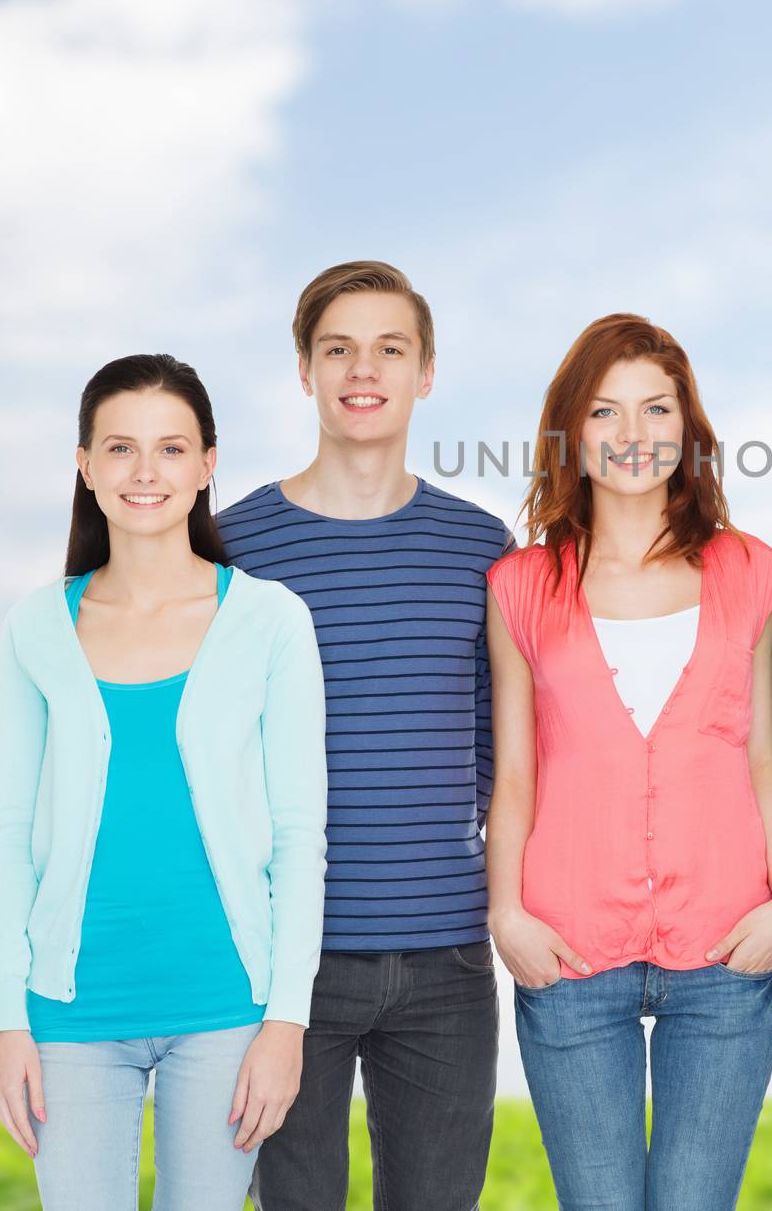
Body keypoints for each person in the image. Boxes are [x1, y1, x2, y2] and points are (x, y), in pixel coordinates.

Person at [0, 353, 328, 1211]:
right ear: (86, 464)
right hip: (69, 1013)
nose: (147, 472)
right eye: (121, 448)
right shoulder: (36, 627)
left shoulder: (271, 620)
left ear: (209, 464)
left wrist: (286, 1021)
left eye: (173, 449)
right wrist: (4, 1017)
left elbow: (299, 835)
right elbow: (9, 831)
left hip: (223, 1007)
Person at [486, 312, 772, 1210]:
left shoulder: (747, 569)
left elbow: (758, 755)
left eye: (655, 409)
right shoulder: (522, 584)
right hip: (567, 948)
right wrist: (505, 912)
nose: (633, 436)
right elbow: (516, 772)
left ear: (687, 428)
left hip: (726, 945)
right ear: (571, 433)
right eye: (605, 412)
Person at [220, 262, 513, 1211]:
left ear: (427, 372)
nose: (364, 368)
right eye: (338, 347)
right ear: (304, 369)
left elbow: (497, 748)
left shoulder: (481, 546)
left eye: (391, 347)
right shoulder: (231, 548)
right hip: (283, 969)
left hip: (447, 962)